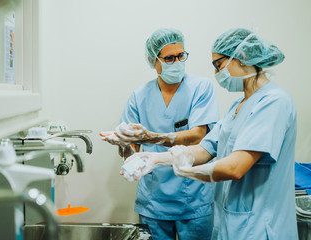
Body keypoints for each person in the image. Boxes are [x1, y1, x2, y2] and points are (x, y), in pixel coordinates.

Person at [121, 28, 298, 239]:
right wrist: (154, 158)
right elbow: (206, 148)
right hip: (232, 223)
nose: (216, 74)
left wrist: (187, 171)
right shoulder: (237, 106)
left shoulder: (274, 102)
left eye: (218, 65)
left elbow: (235, 167)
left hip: (261, 227)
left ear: (241, 58)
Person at [100, 28, 219, 240]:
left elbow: (199, 135)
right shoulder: (139, 96)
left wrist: (151, 137)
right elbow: (131, 152)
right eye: (169, 58)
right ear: (153, 61)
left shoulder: (201, 88)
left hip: (193, 199)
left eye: (181, 56)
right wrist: (123, 143)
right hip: (153, 203)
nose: (177, 62)